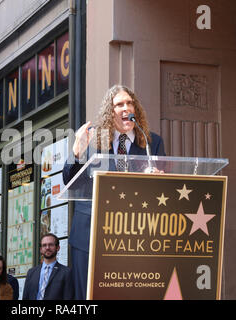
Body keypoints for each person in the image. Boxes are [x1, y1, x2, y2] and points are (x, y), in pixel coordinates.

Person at [63, 84, 166, 299]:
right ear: (110, 112)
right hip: (90, 234)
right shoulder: (92, 140)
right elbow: (69, 182)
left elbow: (161, 189)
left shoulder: (151, 142)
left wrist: (158, 180)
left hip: (132, 234)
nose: (126, 108)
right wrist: (76, 152)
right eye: (119, 104)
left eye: (130, 103)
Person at [22, 233, 74, 300]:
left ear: (58, 248)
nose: (47, 248)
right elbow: (25, 297)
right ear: (41, 249)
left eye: (51, 245)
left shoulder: (66, 272)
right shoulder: (31, 272)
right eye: (44, 245)